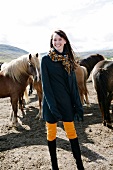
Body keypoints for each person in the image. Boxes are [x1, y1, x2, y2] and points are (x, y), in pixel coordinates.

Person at [41, 29, 84, 170]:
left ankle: (80, 166)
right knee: (51, 134)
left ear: (65, 40)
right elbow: (46, 87)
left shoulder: (68, 60)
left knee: (72, 133)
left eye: (60, 39)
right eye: (54, 40)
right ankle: (55, 167)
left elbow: (73, 88)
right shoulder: (45, 60)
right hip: (50, 104)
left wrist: (78, 106)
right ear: (51, 42)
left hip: (66, 103)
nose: (57, 42)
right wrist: (53, 108)